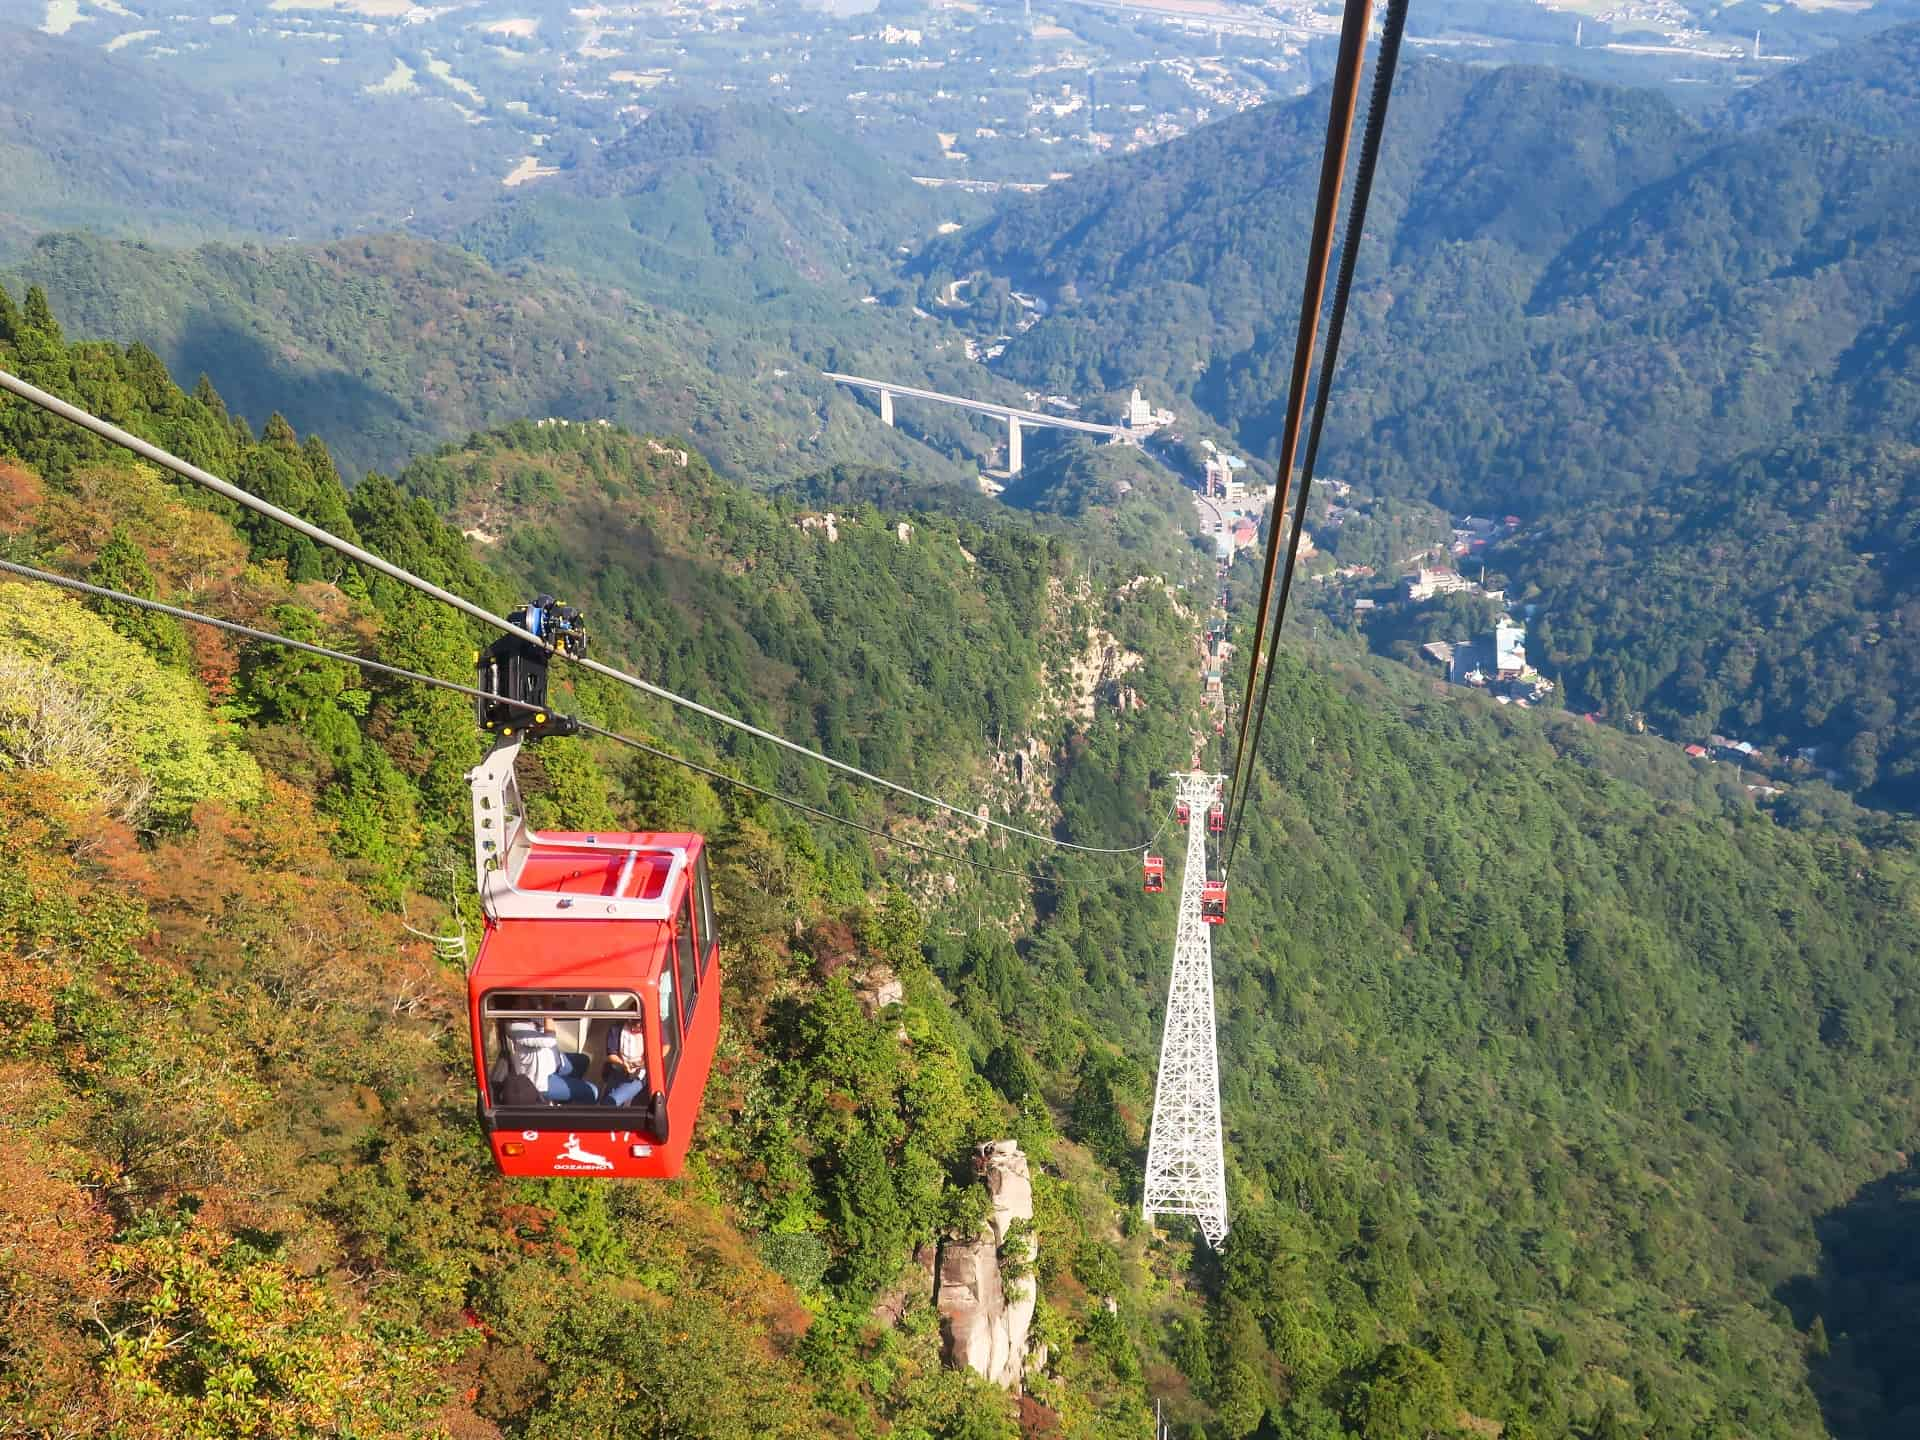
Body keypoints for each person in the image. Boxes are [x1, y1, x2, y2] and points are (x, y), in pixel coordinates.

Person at [505, 1018, 599, 1104]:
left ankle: (567, 1098)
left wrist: (542, 1009)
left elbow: (547, 1027)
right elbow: (549, 1040)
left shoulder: (530, 1016)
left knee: (582, 1060)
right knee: (592, 1091)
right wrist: (547, 1012)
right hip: (542, 1079)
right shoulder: (515, 1027)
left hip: (555, 1062)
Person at [602, 1018, 649, 1107]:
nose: (637, 1029)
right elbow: (611, 1054)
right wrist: (623, 1064)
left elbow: (666, 1046)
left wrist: (645, 1061)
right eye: (635, 1025)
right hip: (618, 1070)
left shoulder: (651, 1028)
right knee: (605, 1102)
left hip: (638, 1076)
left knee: (610, 1103)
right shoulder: (616, 1029)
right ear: (629, 1020)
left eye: (641, 1026)